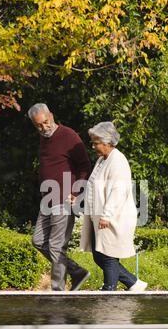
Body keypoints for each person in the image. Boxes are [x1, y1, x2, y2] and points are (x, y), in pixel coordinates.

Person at [29, 103, 92, 291]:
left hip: (64, 198)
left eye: (45, 122)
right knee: (38, 241)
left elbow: (85, 166)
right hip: (48, 199)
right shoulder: (43, 139)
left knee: (56, 246)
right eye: (38, 125)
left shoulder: (68, 136)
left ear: (52, 115)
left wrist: (77, 192)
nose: (43, 128)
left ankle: (57, 292)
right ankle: (77, 271)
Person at [79, 121, 148, 292]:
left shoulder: (118, 161)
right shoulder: (103, 160)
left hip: (113, 217)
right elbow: (95, 185)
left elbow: (119, 190)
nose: (93, 146)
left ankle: (109, 290)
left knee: (108, 256)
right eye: (93, 142)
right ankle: (133, 283)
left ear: (108, 142)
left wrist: (107, 215)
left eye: (96, 142)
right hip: (99, 216)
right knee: (99, 255)